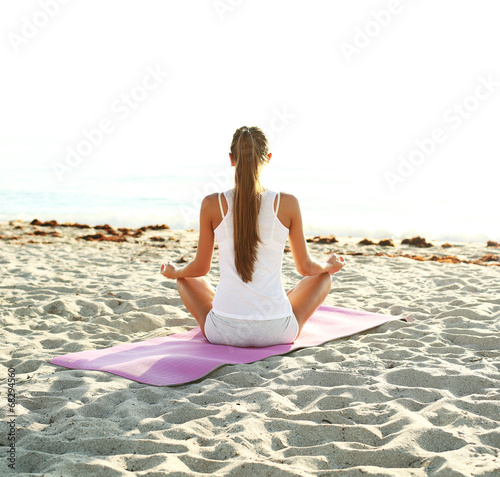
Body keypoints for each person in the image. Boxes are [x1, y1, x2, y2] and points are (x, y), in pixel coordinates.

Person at [160, 126, 345, 347]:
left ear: (231, 159)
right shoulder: (287, 203)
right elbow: (306, 268)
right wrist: (328, 265)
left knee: (186, 279)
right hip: (277, 331)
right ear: (268, 158)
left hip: (223, 331)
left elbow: (200, 269)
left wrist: (175, 272)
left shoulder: (211, 203)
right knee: (322, 277)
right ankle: (269, 305)